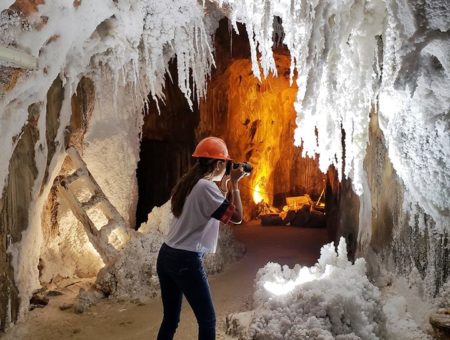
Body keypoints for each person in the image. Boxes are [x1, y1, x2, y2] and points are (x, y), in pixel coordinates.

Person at [156, 136, 245, 340]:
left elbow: (218, 204)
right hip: (185, 259)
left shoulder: (192, 184)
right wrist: (235, 184)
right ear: (220, 163)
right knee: (207, 320)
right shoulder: (205, 188)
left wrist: (226, 184)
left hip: (166, 255)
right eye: (226, 162)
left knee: (170, 319)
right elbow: (237, 218)